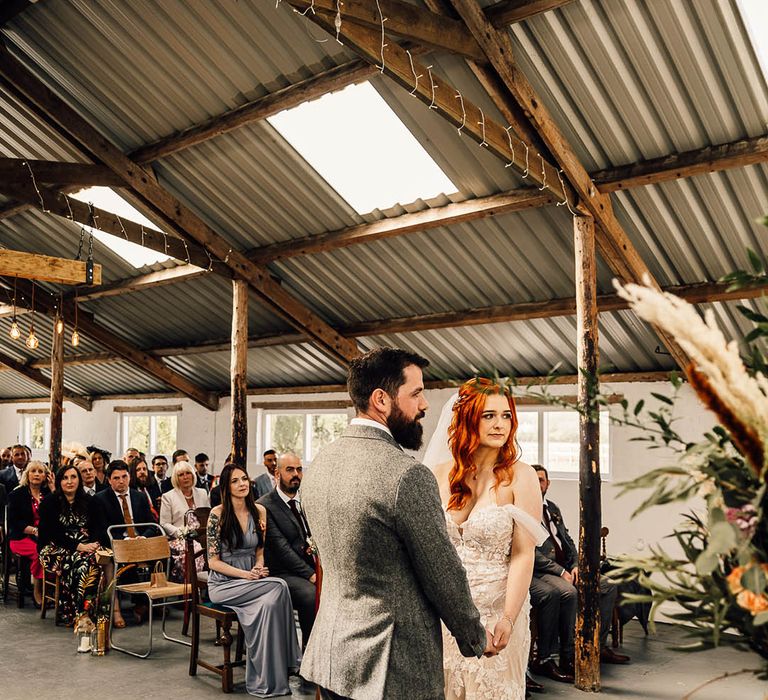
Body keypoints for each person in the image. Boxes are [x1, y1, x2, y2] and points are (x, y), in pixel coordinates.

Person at [301, 347, 494, 700]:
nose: (425, 405)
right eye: (416, 393)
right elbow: (441, 571)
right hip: (390, 668)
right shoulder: (407, 475)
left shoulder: (320, 462)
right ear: (381, 400)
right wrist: (474, 636)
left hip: (330, 657)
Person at [425, 378, 547, 700]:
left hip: (498, 611)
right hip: (448, 613)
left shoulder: (521, 476)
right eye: (489, 416)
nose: (500, 424)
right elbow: (431, 552)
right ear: (467, 418)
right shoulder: (438, 473)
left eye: (506, 416)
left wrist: (508, 616)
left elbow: (523, 555)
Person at [207, 463, 301, 697]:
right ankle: (291, 660)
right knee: (279, 585)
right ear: (226, 488)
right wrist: (246, 575)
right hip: (224, 583)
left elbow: (259, 550)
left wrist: (258, 567)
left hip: (253, 580)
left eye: (244, 479)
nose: (242, 485)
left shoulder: (260, 512)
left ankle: (270, 677)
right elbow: (213, 562)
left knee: (270, 603)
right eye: (235, 481)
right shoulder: (216, 515)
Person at [529, 464, 629, 683]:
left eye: (541, 480)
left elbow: (568, 541)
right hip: (542, 571)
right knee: (568, 592)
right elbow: (531, 552)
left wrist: (576, 564)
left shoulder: (552, 508)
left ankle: (598, 646)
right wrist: (560, 570)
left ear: (548, 483)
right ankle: (565, 655)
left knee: (607, 584)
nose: (538, 484)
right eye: (533, 480)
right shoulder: (525, 508)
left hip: (568, 568)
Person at [257, 453, 317, 650]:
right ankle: (310, 652)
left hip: (310, 566)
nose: (296, 474)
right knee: (311, 594)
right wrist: (311, 575)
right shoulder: (265, 505)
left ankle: (328, 649)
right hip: (281, 572)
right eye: (290, 470)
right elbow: (281, 549)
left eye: (299, 469)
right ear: (277, 473)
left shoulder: (307, 500)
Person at [88, 460, 155, 627]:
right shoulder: (100, 499)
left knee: (163, 557)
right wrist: (124, 541)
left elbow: (152, 524)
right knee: (119, 561)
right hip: (116, 543)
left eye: (124, 477)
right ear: (109, 480)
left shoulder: (139, 496)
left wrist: (143, 537)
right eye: (116, 478)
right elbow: (102, 530)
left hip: (140, 542)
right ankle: (122, 607)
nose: (121, 481)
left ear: (129, 477)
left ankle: (146, 603)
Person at [37, 465, 101, 625]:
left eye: (73, 477)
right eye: (65, 478)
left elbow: (98, 526)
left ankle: (83, 610)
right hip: (53, 548)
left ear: (79, 480)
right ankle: (82, 613)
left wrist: (94, 543)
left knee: (91, 559)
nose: (70, 481)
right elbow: (53, 533)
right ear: (59, 481)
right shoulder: (49, 502)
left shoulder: (89, 501)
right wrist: (78, 546)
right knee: (83, 561)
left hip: (85, 547)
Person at [8, 460, 51, 606]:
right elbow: (15, 522)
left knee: (58, 550)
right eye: (33, 471)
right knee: (41, 552)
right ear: (27, 474)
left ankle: (53, 591)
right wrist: (34, 530)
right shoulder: (17, 494)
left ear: (46, 476)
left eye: (40, 472)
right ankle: (37, 591)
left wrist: (53, 487)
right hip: (21, 537)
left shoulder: (48, 493)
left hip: (44, 536)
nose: (37, 474)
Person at [160, 461, 210, 581]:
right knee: (194, 549)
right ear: (176, 478)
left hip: (202, 535)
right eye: (181, 475)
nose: (185, 477)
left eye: (188, 473)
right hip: (180, 538)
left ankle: (211, 584)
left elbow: (208, 515)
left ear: (193, 475)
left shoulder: (202, 493)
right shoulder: (168, 496)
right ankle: (191, 585)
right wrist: (181, 532)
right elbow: (164, 523)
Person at [131, 458, 162, 522]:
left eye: (144, 469)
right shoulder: (131, 491)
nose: (142, 472)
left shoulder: (152, 487)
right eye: (138, 470)